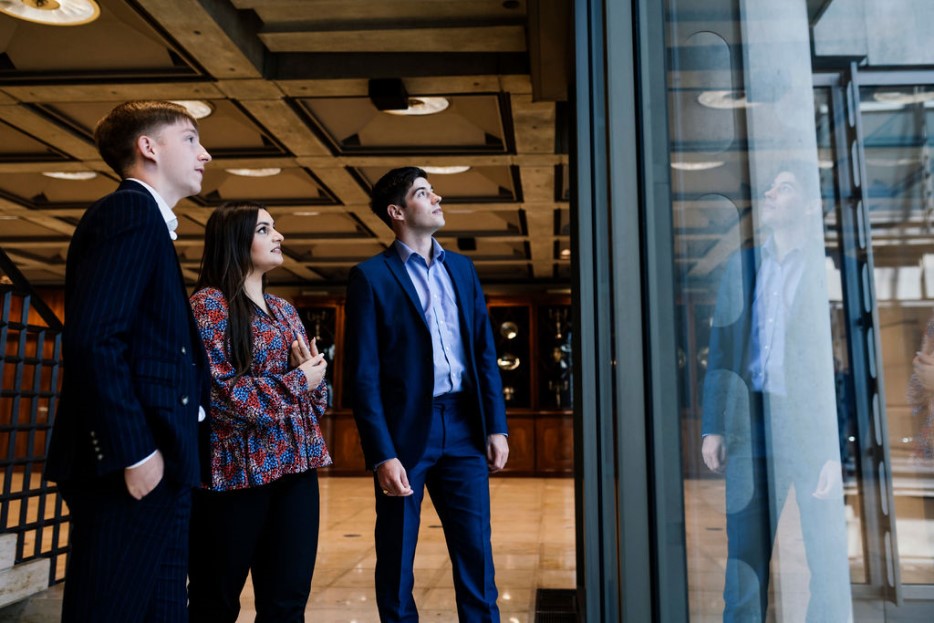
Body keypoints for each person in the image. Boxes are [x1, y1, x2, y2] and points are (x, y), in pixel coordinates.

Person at [44, 100, 212, 622]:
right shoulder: (128, 212)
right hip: (134, 464)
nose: (204, 153)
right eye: (189, 138)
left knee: (161, 612)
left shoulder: (149, 221)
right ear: (148, 147)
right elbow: (95, 340)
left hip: (166, 461)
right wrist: (134, 452)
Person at [345, 167, 509, 622]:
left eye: (432, 189)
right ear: (397, 212)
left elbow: (483, 352)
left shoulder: (462, 267)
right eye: (423, 192)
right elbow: (364, 376)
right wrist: (382, 455)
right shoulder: (370, 277)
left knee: (477, 555)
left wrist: (496, 425)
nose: (437, 196)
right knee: (397, 560)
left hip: (464, 426)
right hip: (404, 435)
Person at [700, 164, 852, 622]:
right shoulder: (741, 266)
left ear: (809, 206)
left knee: (825, 563)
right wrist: (713, 426)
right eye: (770, 186)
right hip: (752, 429)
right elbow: (722, 351)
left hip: (809, 432)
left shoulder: (829, 269)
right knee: (744, 566)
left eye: (783, 187)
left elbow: (842, 365)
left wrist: (835, 449)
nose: (769, 193)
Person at [187, 202, 331, 622]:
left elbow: (317, 394)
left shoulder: (285, 309)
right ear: (235, 240)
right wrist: (297, 382)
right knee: (216, 601)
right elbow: (222, 397)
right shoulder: (209, 306)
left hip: (297, 470)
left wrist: (310, 382)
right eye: (265, 229)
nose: (279, 236)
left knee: (287, 602)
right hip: (235, 477)